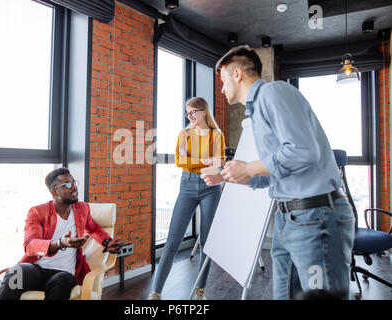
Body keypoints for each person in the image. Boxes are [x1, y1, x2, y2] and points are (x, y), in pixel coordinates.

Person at [201, 45, 355, 300]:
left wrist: (249, 167)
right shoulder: (257, 112)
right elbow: (278, 171)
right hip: (288, 221)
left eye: (223, 79)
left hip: (315, 219)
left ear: (237, 73)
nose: (221, 88)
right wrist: (227, 175)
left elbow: (304, 151)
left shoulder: (273, 93)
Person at [0, 167, 121, 300]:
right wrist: (60, 243)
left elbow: (94, 229)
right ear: (54, 191)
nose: (74, 187)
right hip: (36, 269)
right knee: (17, 271)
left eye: (74, 183)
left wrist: (107, 242)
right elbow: (30, 245)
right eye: (67, 185)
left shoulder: (82, 209)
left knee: (62, 282)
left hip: (64, 273)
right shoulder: (38, 212)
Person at [148, 97, 225, 300]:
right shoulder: (184, 134)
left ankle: (200, 290)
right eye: (187, 113)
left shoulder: (216, 135)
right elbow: (180, 162)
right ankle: (155, 293)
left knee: (207, 243)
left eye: (193, 112)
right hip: (187, 186)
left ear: (204, 111)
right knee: (173, 241)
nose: (189, 116)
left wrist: (202, 162)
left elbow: (218, 163)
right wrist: (203, 161)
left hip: (211, 187)